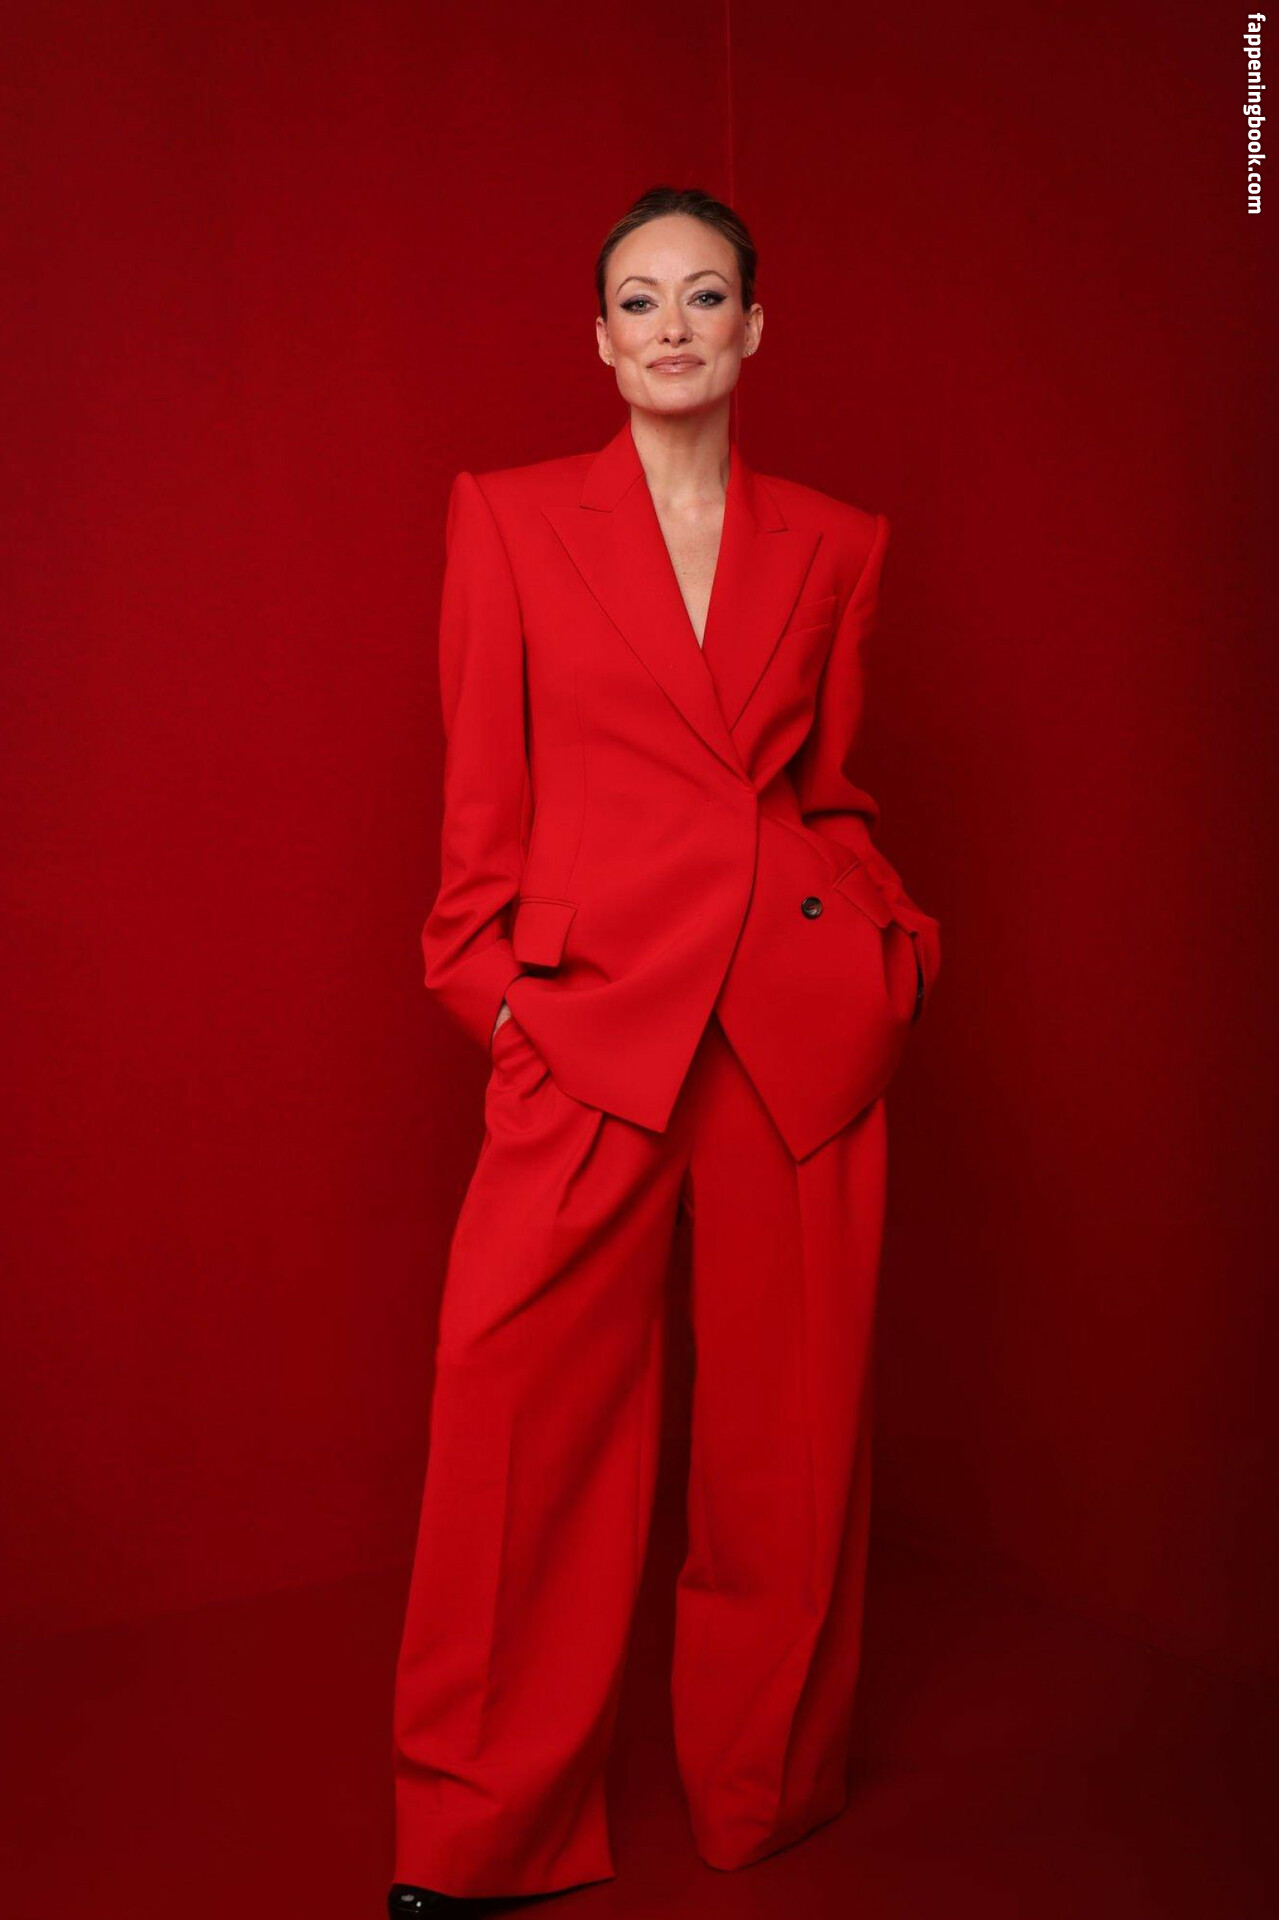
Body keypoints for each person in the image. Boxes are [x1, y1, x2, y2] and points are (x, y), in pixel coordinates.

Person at [389, 185, 943, 1916]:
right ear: (602, 337)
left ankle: (762, 1795)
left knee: (790, 1444)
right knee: (516, 1423)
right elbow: (477, 806)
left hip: (786, 1031)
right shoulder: (507, 518)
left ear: (754, 328)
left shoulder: (835, 541)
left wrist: (887, 957)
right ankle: (484, 1834)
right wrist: (495, 997)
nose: (675, 326)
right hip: (590, 1021)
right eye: (642, 300)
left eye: (706, 296)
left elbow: (829, 793)